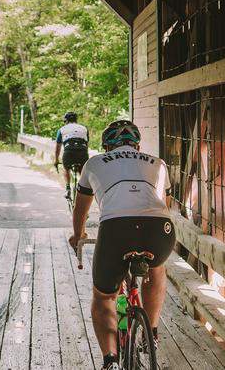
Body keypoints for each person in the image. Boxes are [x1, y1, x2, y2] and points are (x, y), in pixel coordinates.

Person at [68, 119, 175, 370]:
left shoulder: (93, 163)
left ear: (106, 146)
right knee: (157, 268)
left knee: (104, 297)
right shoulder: (157, 163)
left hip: (116, 230)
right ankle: (152, 334)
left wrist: (78, 235)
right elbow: (165, 206)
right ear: (137, 146)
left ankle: (111, 361)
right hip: (159, 230)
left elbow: (80, 208)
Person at [53, 112, 89, 199]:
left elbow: (58, 148)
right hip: (82, 152)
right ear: (76, 120)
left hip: (69, 152)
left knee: (66, 168)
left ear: (65, 120)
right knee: (83, 172)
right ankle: (85, 190)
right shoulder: (84, 128)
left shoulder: (61, 130)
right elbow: (87, 144)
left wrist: (56, 160)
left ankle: (68, 189)